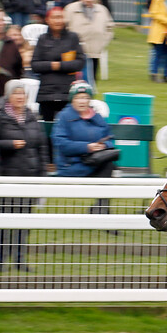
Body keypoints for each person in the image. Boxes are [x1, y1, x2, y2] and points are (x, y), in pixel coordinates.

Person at [0, 79, 48, 272]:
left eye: (23, 94)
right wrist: (9, 144)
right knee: (4, 222)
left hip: (29, 177)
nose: (20, 97)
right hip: (7, 178)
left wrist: (42, 174)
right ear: (8, 96)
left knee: (24, 222)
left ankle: (20, 259)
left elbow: (41, 147)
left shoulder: (32, 118)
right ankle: (0, 260)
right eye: (16, 93)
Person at [51, 80, 117, 227]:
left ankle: (101, 212)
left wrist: (103, 146)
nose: (82, 101)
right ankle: (101, 213)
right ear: (72, 99)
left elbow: (110, 139)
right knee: (107, 169)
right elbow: (61, 144)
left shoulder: (96, 116)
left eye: (85, 98)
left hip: (94, 162)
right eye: (78, 98)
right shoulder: (64, 117)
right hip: (72, 165)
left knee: (109, 165)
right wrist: (87, 147)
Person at [32, 7, 86, 122]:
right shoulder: (42, 39)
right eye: (55, 17)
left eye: (60, 17)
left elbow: (80, 63)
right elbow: (35, 65)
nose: (58, 21)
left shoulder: (72, 38)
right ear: (47, 20)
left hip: (67, 91)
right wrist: (53, 65)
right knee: (47, 126)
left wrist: (60, 66)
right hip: (46, 92)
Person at [64, 0, 115, 82]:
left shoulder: (102, 9)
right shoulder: (70, 9)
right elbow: (64, 27)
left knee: (91, 81)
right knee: (73, 80)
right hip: (75, 53)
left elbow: (110, 27)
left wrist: (102, 42)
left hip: (94, 51)